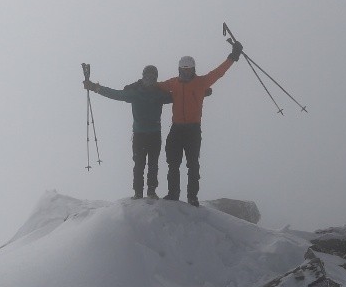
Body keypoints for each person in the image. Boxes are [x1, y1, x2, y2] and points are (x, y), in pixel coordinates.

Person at [158, 39, 243, 205]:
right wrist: (139, 85)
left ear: (193, 69)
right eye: (183, 70)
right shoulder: (173, 83)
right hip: (176, 129)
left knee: (193, 164)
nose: (186, 73)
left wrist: (233, 56)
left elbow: (218, 72)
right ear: (179, 70)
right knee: (173, 163)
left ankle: (192, 197)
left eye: (188, 70)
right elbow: (156, 85)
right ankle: (173, 194)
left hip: (192, 130)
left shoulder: (201, 83)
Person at [85, 65, 173, 198]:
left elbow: (181, 96)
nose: (150, 80)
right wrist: (95, 87)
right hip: (143, 135)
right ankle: (140, 192)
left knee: (151, 164)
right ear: (143, 77)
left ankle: (149, 191)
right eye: (147, 77)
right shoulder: (140, 93)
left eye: (153, 77)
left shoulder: (157, 94)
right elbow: (115, 94)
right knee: (140, 164)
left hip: (149, 134)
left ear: (156, 79)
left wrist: (199, 92)